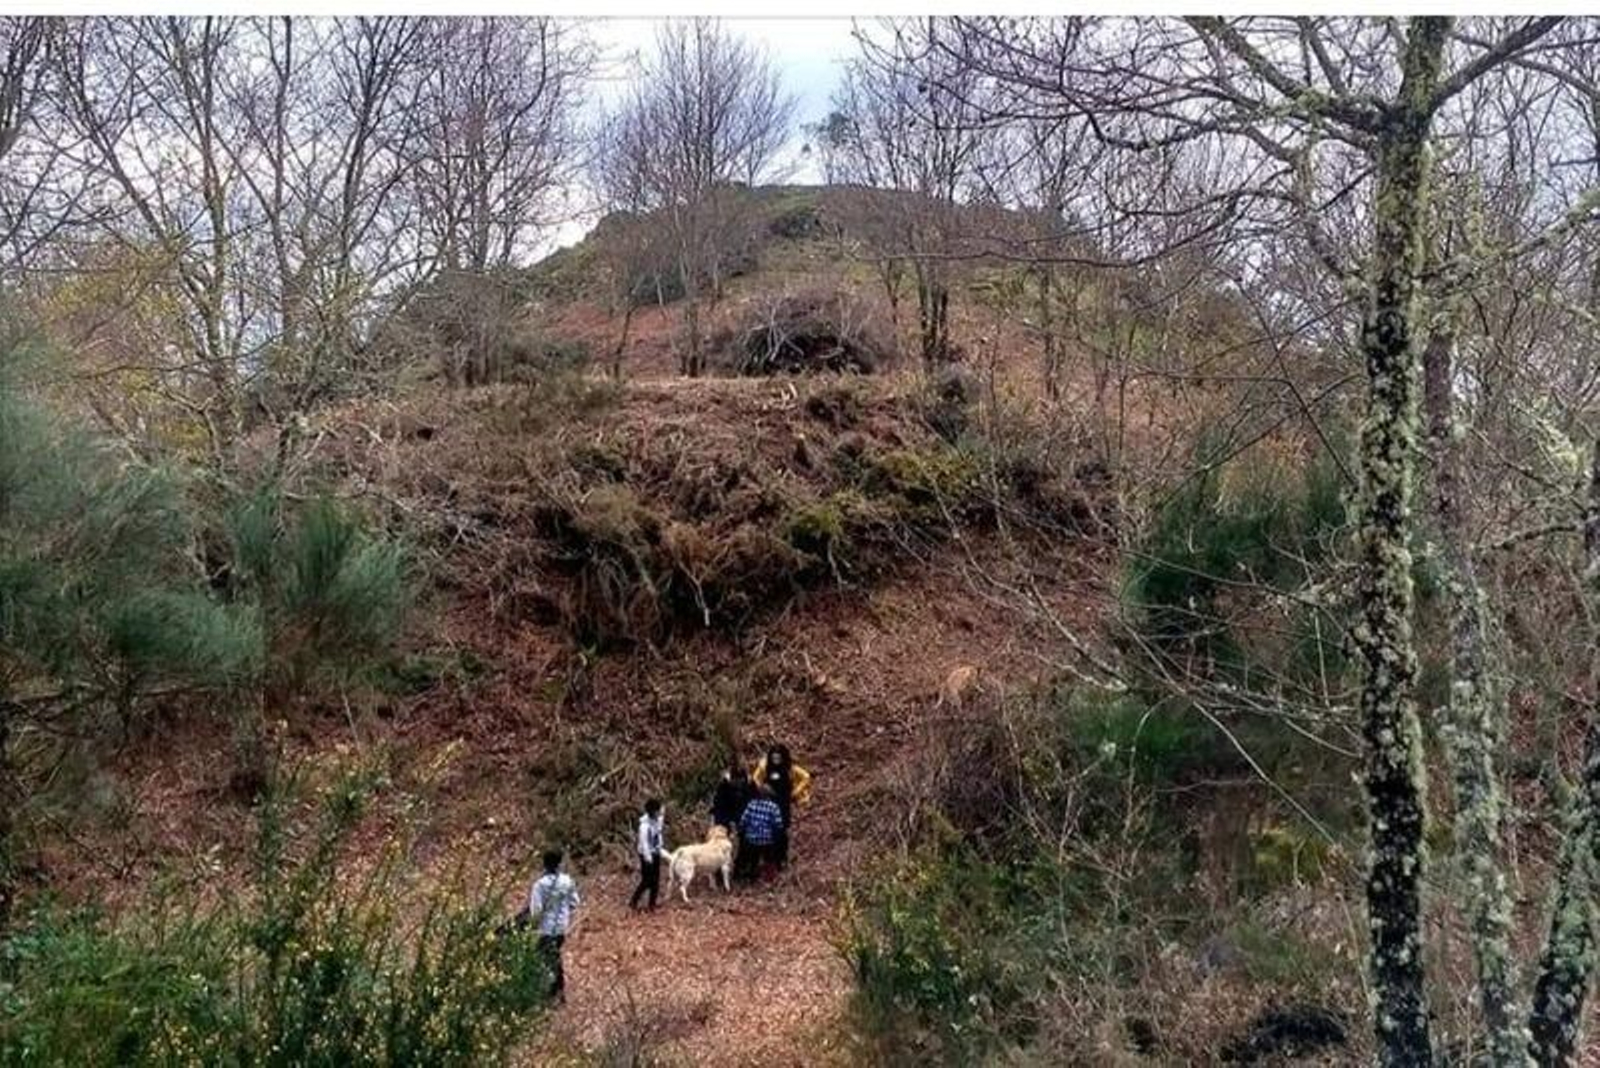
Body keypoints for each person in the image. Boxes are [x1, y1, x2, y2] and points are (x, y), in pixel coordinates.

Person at [528, 848, 580, 1003]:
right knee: (553, 956)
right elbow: (574, 902)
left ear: (544, 864)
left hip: (546, 928)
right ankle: (555, 991)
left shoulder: (540, 885)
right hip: (562, 927)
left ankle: (555, 992)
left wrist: (533, 926)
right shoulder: (567, 881)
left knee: (546, 958)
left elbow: (536, 910)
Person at [751, 743, 811, 868]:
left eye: (778, 758)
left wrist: (796, 792)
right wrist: (762, 788)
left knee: (782, 831)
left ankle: (782, 858)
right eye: (774, 758)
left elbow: (806, 777)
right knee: (768, 830)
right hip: (768, 802)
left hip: (783, 802)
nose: (776, 760)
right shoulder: (765, 767)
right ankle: (769, 859)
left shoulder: (790, 769)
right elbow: (755, 779)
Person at [736, 786, 785, 883]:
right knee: (769, 858)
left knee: (753, 858)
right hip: (767, 839)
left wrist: (741, 830)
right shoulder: (773, 807)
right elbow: (778, 824)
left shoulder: (751, 805)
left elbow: (743, 820)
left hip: (751, 838)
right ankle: (769, 878)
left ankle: (752, 877)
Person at [629, 798, 665, 911]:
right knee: (647, 880)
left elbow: (659, 827)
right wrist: (648, 858)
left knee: (656, 881)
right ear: (653, 812)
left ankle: (652, 904)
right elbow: (644, 843)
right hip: (646, 855)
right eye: (658, 811)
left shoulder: (656, 821)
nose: (659, 813)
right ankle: (634, 901)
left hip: (655, 852)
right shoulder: (644, 826)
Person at [710, 765, 752, 835]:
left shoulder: (749, 786)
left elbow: (751, 802)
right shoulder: (724, 786)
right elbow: (719, 805)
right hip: (725, 812)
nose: (738, 783)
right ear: (731, 779)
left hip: (742, 812)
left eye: (740, 780)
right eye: (735, 780)